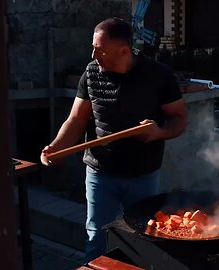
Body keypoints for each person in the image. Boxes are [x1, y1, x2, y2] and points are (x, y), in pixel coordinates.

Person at [40, 17, 187, 262]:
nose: (93, 54)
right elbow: (76, 119)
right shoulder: (91, 73)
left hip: (143, 175)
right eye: (93, 46)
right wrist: (56, 146)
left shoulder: (158, 75)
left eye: (100, 49)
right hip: (100, 174)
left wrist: (158, 133)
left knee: (141, 238)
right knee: (96, 235)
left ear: (124, 50)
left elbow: (179, 119)